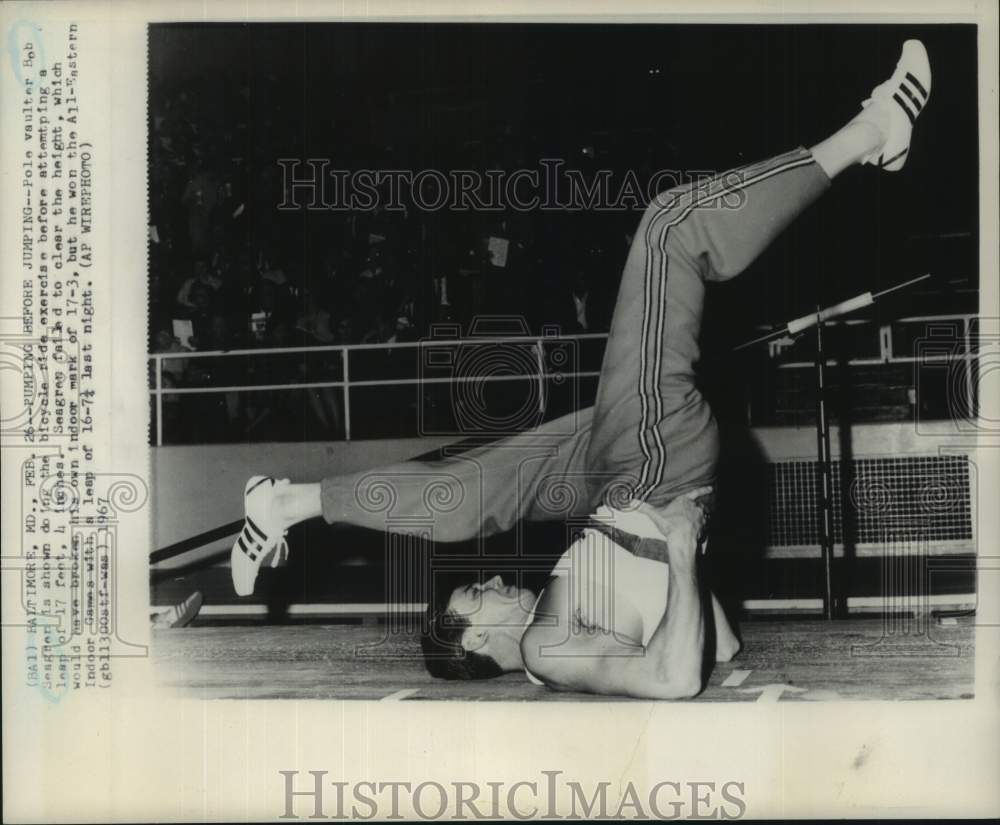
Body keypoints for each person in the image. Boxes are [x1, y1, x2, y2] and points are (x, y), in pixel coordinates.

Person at [228, 42, 931, 698]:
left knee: (468, 495)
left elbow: (722, 648)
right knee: (670, 230)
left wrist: (682, 566)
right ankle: (872, 132)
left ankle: (289, 504)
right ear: (475, 637)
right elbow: (675, 676)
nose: (496, 577)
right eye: (475, 596)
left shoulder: (560, 625)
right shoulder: (547, 648)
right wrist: (683, 551)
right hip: (652, 476)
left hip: (613, 479)